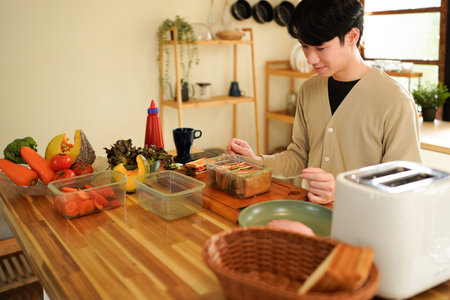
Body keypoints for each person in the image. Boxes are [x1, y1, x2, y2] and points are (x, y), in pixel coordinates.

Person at [225, 0, 422, 204]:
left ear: (352, 36)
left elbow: (404, 182)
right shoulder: (309, 90)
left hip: (363, 226)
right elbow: (300, 155)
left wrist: (344, 191)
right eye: (304, 46)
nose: (310, 59)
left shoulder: (395, 100)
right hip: (311, 217)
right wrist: (257, 162)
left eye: (320, 48)